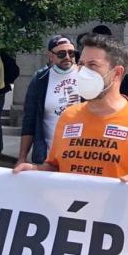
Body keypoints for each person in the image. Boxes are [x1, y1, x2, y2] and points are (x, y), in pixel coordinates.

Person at [14, 34, 128, 186]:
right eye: (81, 64)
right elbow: (55, 166)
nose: (83, 72)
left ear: (117, 73)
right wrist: (35, 171)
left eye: (92, 65)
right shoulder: (69, 117)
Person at [18, 36, 80, 165]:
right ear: (50, 55)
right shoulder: (40, 79)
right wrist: (22, 158)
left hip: (80, 156)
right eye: (61, 54)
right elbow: (29, 120)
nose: (67, 57)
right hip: (47, 156)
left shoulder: (86, 76)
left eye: (71, 53)